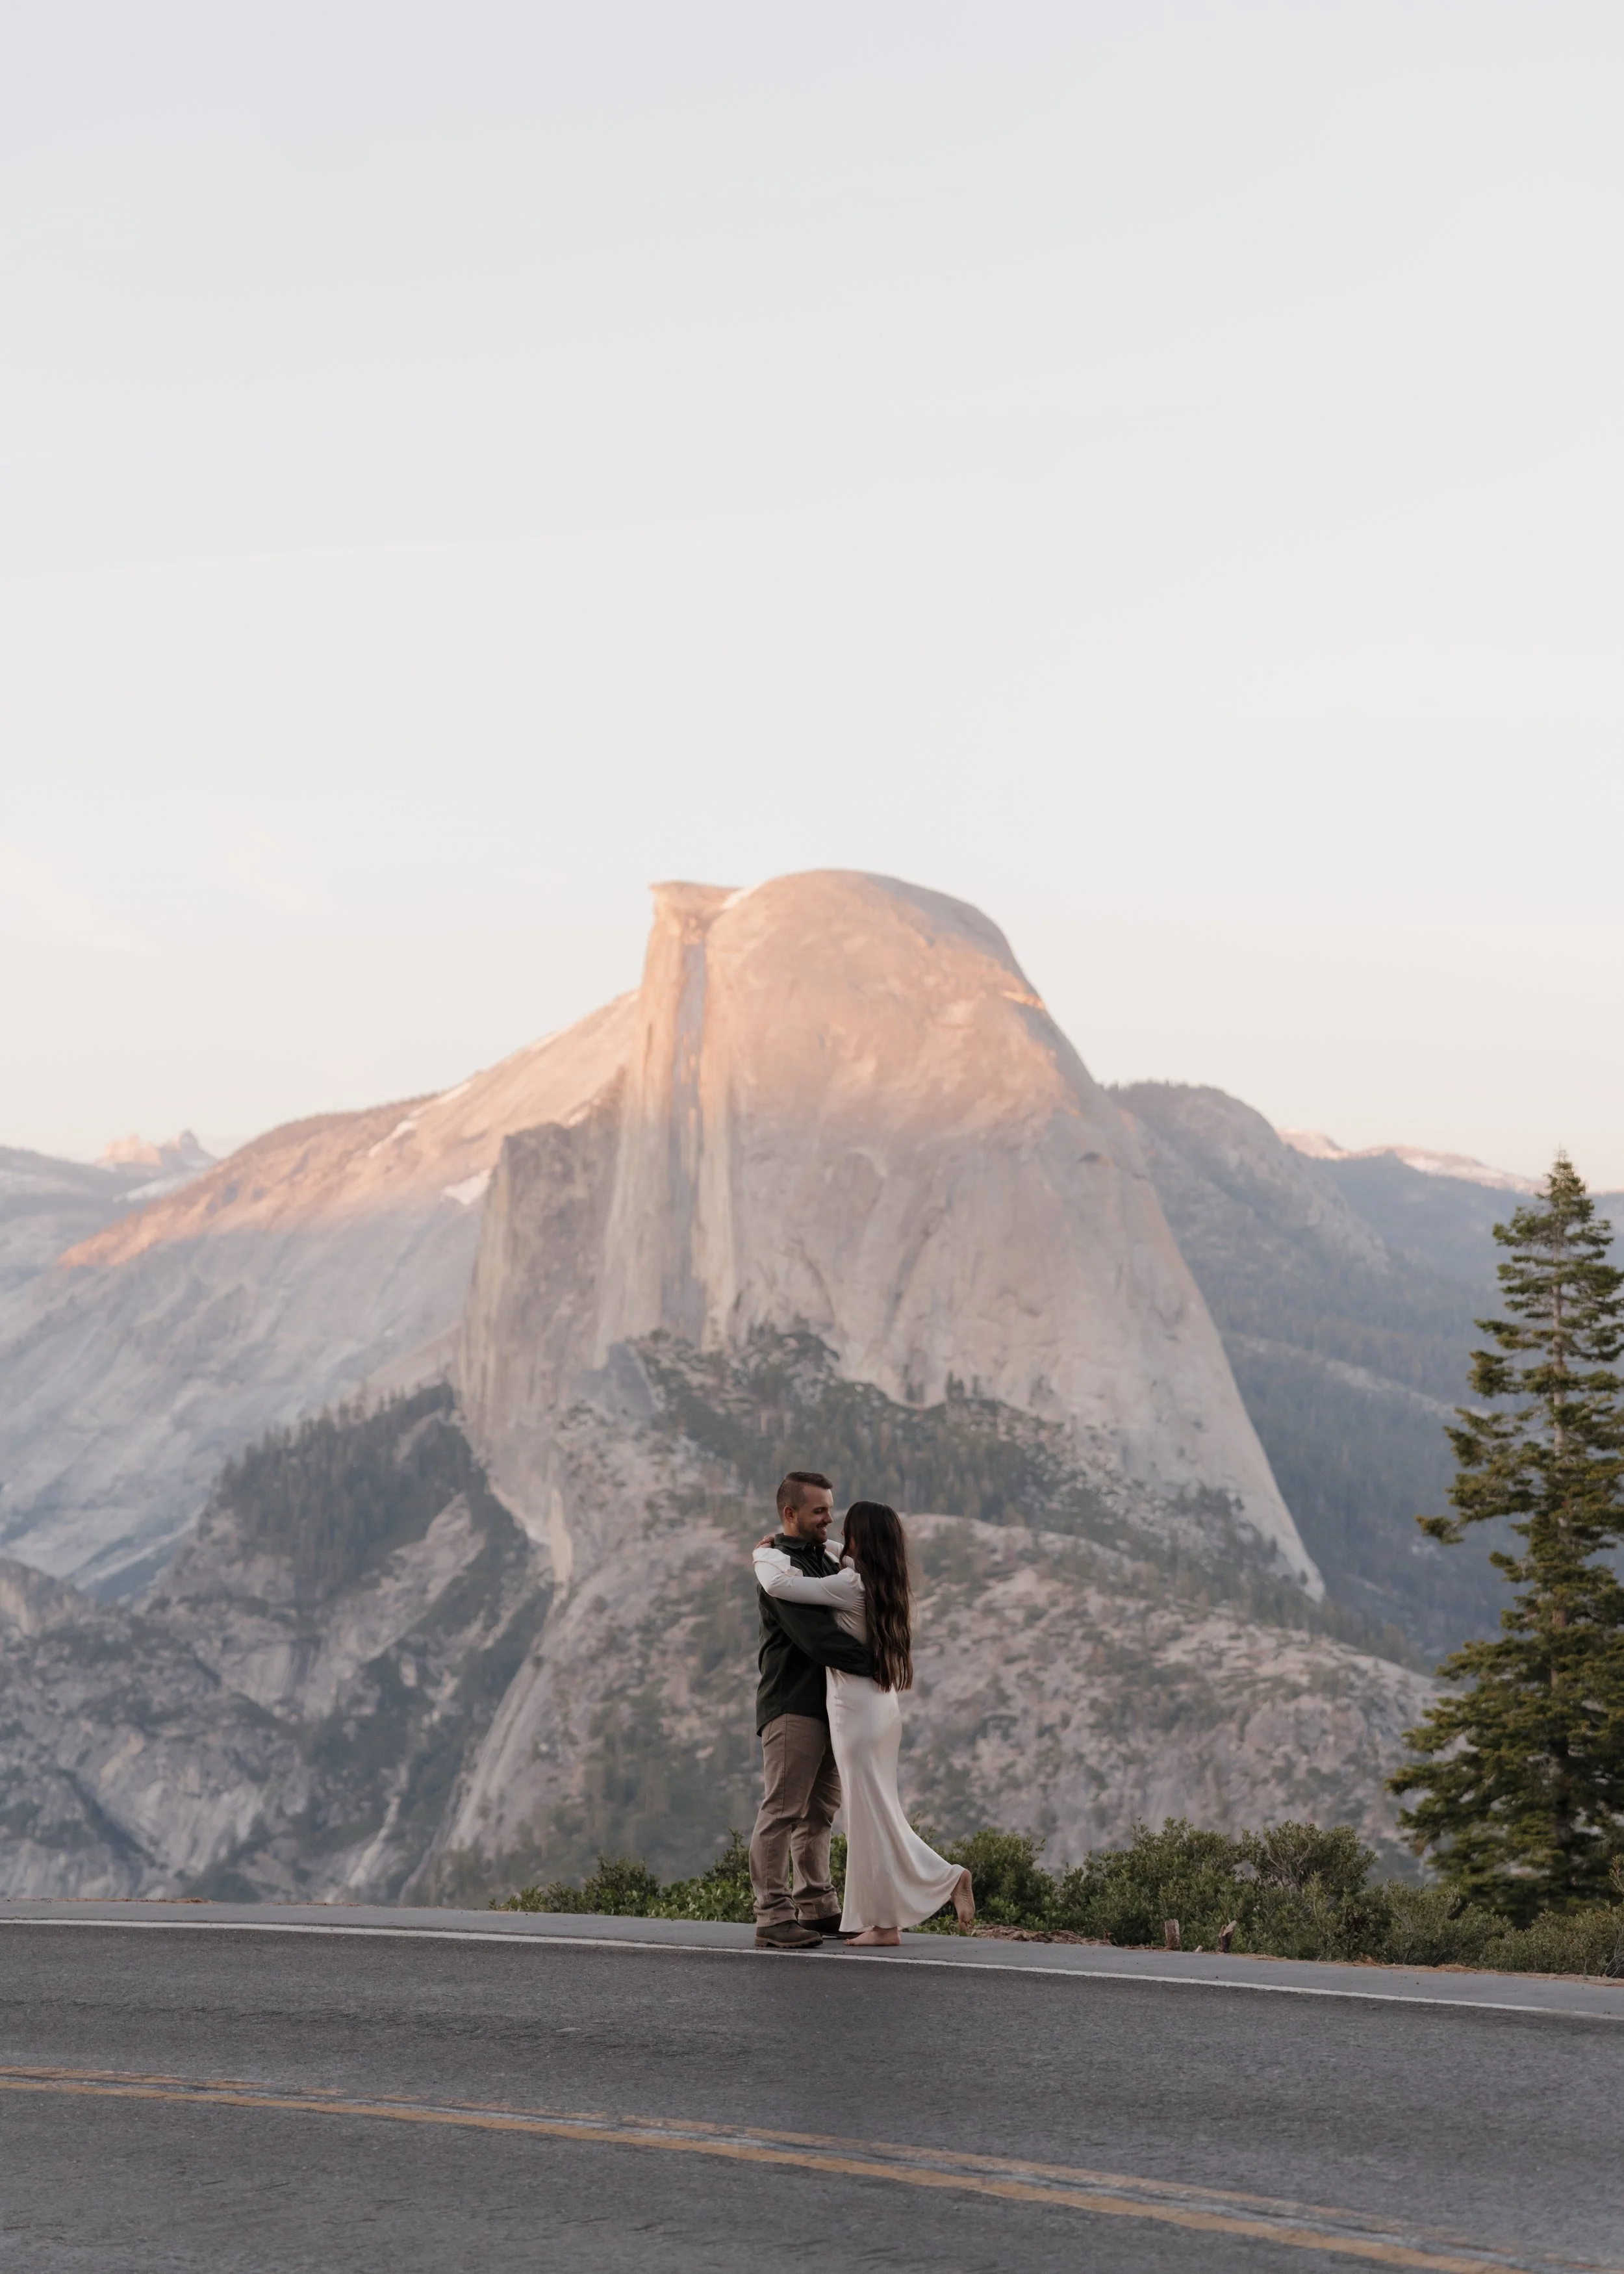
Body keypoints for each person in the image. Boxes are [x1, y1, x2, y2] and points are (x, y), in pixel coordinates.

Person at [753, 1498, 974, 1947]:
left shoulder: (848, 1584)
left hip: (853, 1710)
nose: (836, 1531)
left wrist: (762, 1553)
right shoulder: (885, 1581)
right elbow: (835, 1551)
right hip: (882, 1708)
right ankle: (885, 1920)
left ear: (859, 1538)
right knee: (874, 1810)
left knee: (866, 1816)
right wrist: (812, 1544)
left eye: (846, 1528)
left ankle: (930, 1889)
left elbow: (780, 1584)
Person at [748, 1470, 877, 1950]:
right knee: (783, 1809)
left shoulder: (823, 1558)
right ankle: (772, 1915)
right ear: (790, 1513)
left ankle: (818, 1906)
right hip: (793, 1704)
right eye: (819, 1510)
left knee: (820, 1811)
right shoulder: (779, 1566)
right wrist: (880, 1664)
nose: (828, 1518)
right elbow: (819, 1640)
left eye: (830, 1509)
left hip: (831, 1706)